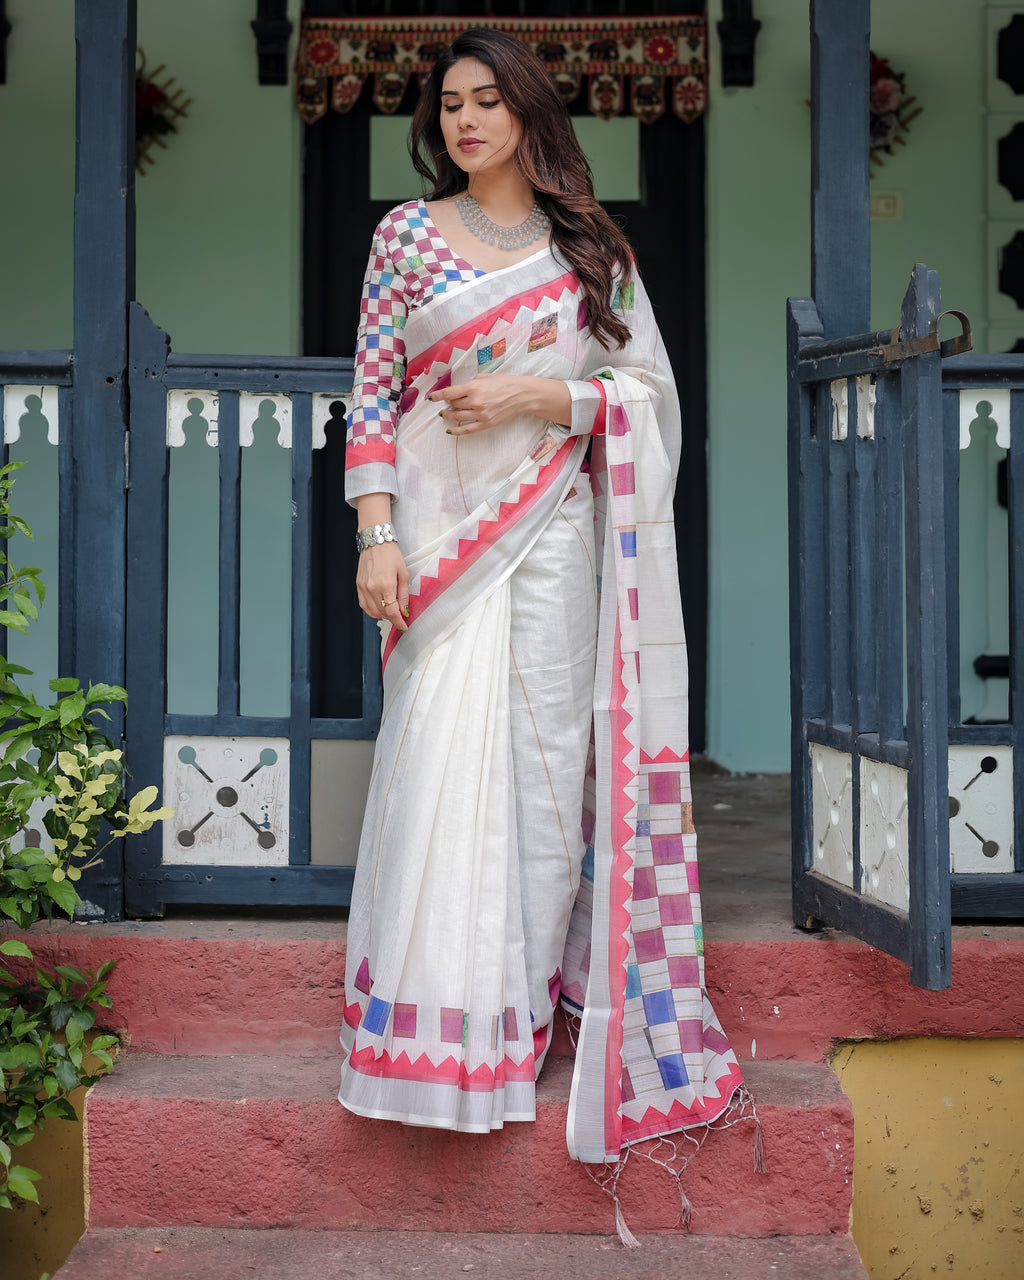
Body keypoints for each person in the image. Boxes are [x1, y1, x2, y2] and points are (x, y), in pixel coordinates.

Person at [340, 27, 745, 1168]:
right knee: (436, 765)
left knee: (537, 767)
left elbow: (646, 393)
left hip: (556, 534)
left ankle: (512, 1024)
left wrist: (540, 394)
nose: (464, 121)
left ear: (526, 113)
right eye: (448, 104)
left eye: (486, 101)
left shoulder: (591, 246)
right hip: (436, 538)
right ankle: (425, 1029)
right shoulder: (405, 238)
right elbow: (370, 392)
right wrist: (374, 535)